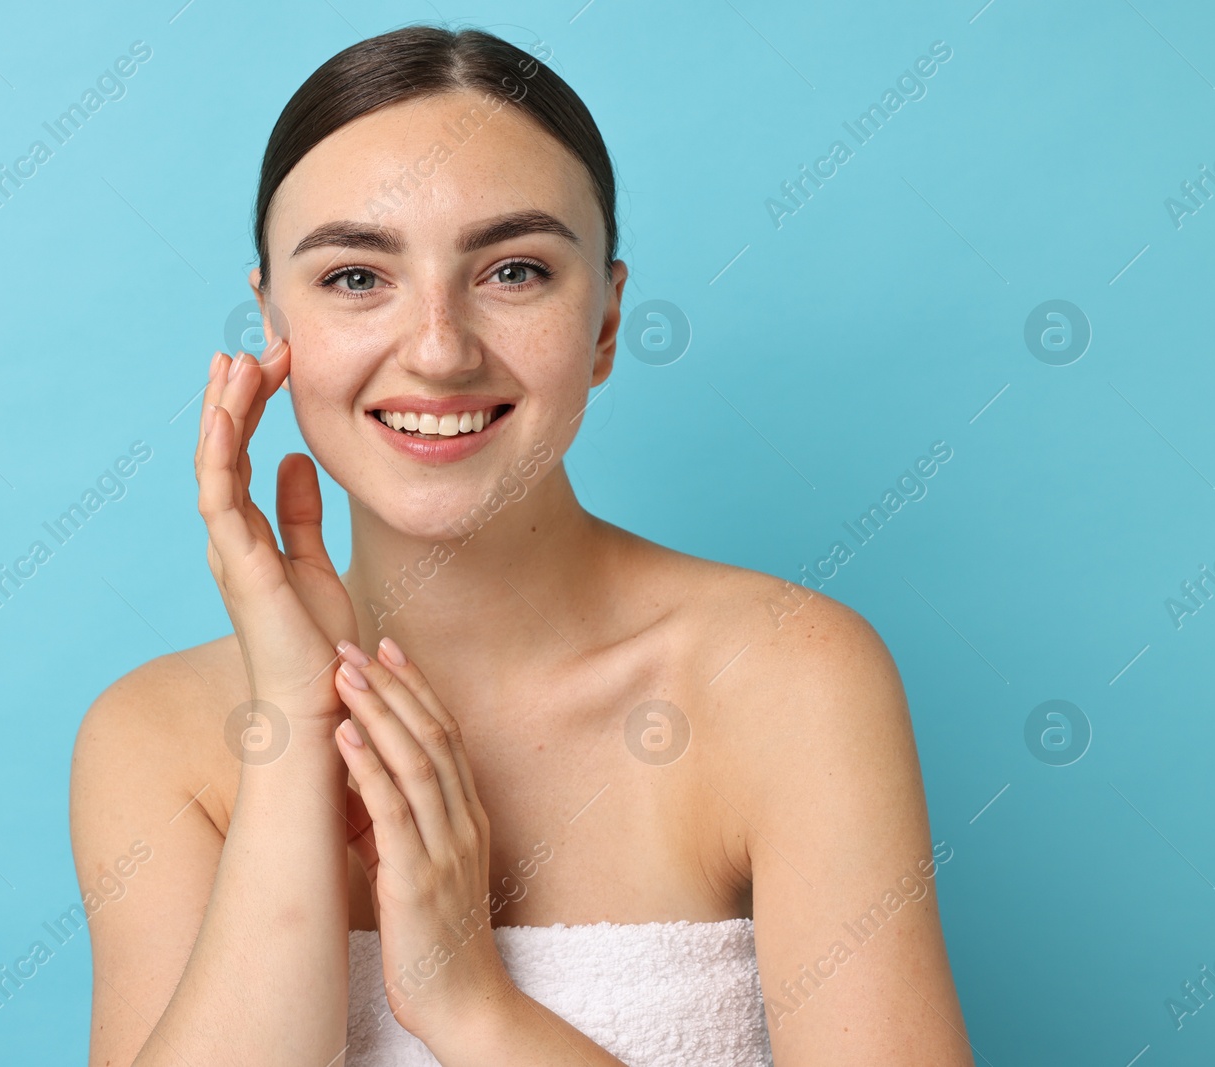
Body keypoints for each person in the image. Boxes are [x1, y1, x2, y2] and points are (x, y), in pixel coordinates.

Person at [69, 23, 973, 1067]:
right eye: (357, 277)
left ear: (604, 321)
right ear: (273, 321)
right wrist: (291, 725)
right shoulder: (152, 739)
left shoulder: (784, 677)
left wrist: (467, 1001)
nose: (440, 349)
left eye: (513, 271)